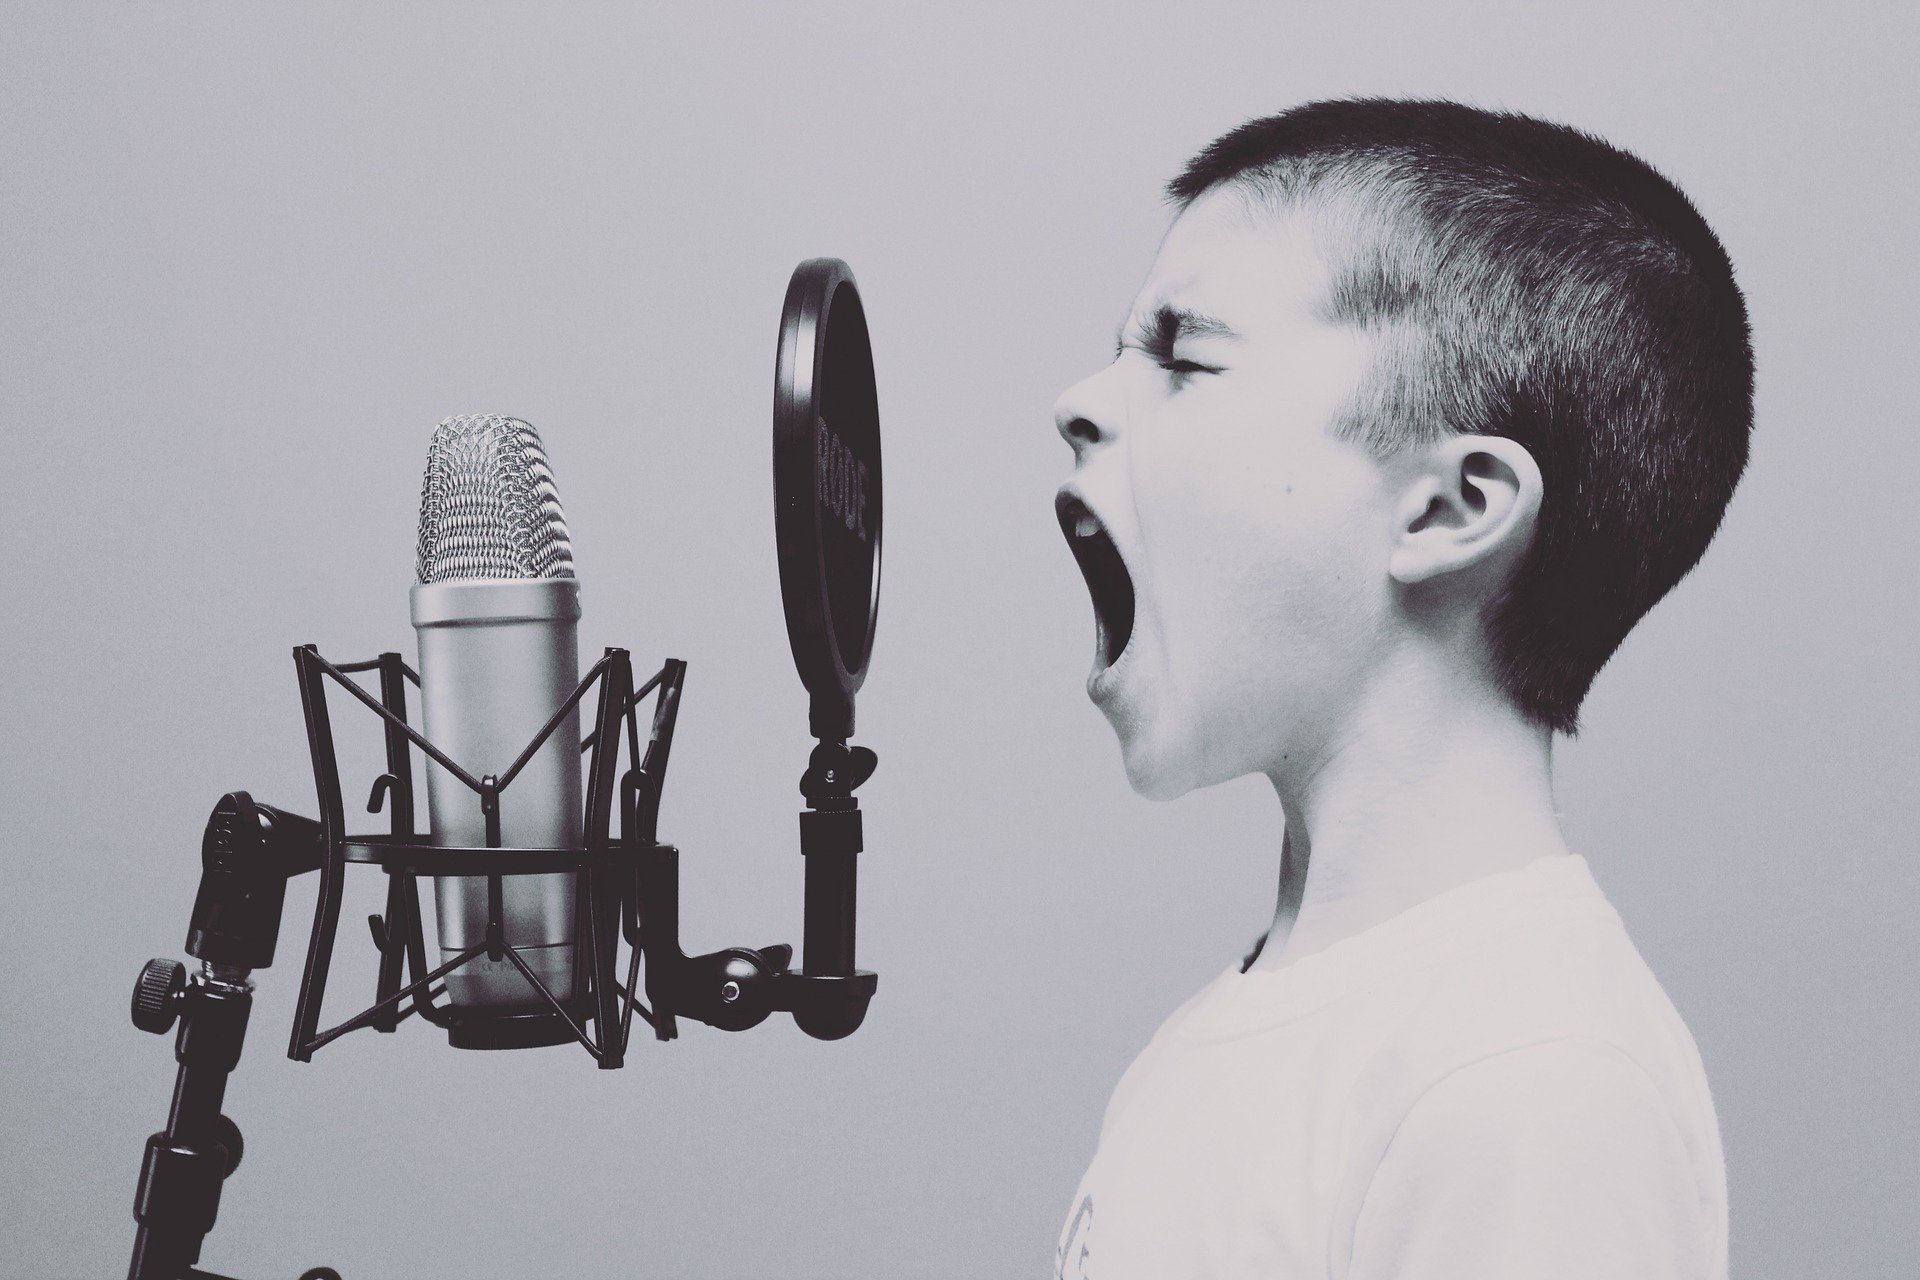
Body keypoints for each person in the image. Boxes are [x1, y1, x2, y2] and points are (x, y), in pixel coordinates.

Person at [1051, 98, 1750, 1279]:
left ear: (1450, 506)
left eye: (1183, 355)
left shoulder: (1527, 1081)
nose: (1080, 402)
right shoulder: (1237, 1033)